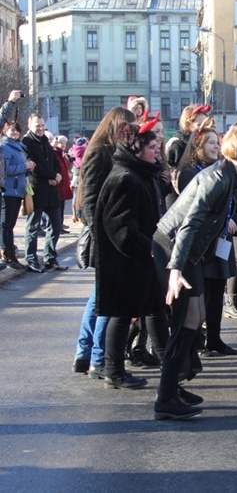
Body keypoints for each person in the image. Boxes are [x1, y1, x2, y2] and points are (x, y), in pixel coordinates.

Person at [151, 118, 237, 420]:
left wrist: (234, 219)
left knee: (194, 317)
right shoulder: (217, 178)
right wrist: (175, 269)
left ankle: (174, 384)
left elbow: (217, 213)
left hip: (188, 253)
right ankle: (165, 397)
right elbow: (189, 224)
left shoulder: (229, 175)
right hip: (173, 249)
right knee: (187, 317)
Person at [94, 119, 163, 389]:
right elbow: (120, 228)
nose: (157, 151)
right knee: (121, 315)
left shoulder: (139, 175)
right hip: (124, 263)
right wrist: (150, 248)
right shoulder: (124, 178)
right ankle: (114, 371)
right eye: (153, 146)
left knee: (130, 314)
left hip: (137, 260)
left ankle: (119, 368)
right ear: (137, 149)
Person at [73, 106, 137, 377]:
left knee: (98, 299)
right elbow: (90, 200)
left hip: (109, 234)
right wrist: (102, 237)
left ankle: (84, 353)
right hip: (106, 237)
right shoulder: (100, 151)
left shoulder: (110, 150)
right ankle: (98, 359)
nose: (133, 131)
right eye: (129, 126)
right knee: (108, 302)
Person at [174, 121, 237, 356]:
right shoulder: (190, 172)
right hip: (202, 243)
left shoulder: (220, 168)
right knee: (200, 295)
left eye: (217, 142)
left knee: (216, 291)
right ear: (198, 145)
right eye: (211, 142)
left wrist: (236, 217)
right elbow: (198, 209)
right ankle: (195, 342)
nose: (216, 146)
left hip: (220, 240)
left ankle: (214, 337)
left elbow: (226, 202)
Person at [22, 113, 65, 272]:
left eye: (42, 125)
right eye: (37, 126)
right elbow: (34, 166)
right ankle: (31, 259)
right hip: (37, 188)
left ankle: (50, 258)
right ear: (30, 126)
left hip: (51, 189)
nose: (40, 128)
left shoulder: (45, 141)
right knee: (33, 227)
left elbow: (54, 162)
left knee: (55, 225)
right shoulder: (26, 142)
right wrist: (53, 175)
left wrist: (57, 176)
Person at [1, 122, 33, 270]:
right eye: (12, 130)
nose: (15, 133)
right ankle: (7, 255)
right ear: (5, 131)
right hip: (8, 191)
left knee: (10, 225)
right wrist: (24, 167)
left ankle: (11, 254)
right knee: (6, 225)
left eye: (17, 130)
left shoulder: (18, 147)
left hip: (16, 191)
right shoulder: (5, 147)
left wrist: (28, 169)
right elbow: (5, 169)